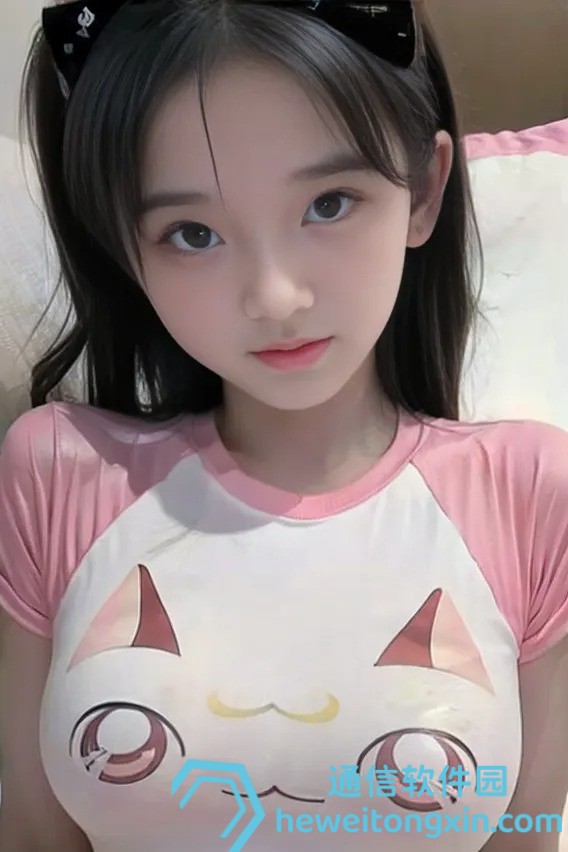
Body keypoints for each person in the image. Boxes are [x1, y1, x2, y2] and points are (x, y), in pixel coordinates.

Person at [0, 0, 567, 850]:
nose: (274, 296)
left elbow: (526, 832)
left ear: (424, 190)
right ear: (124, 244)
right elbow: (33, 832)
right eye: (193, 233)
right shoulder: (60, 470)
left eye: (330, 203)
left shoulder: (529, 491)